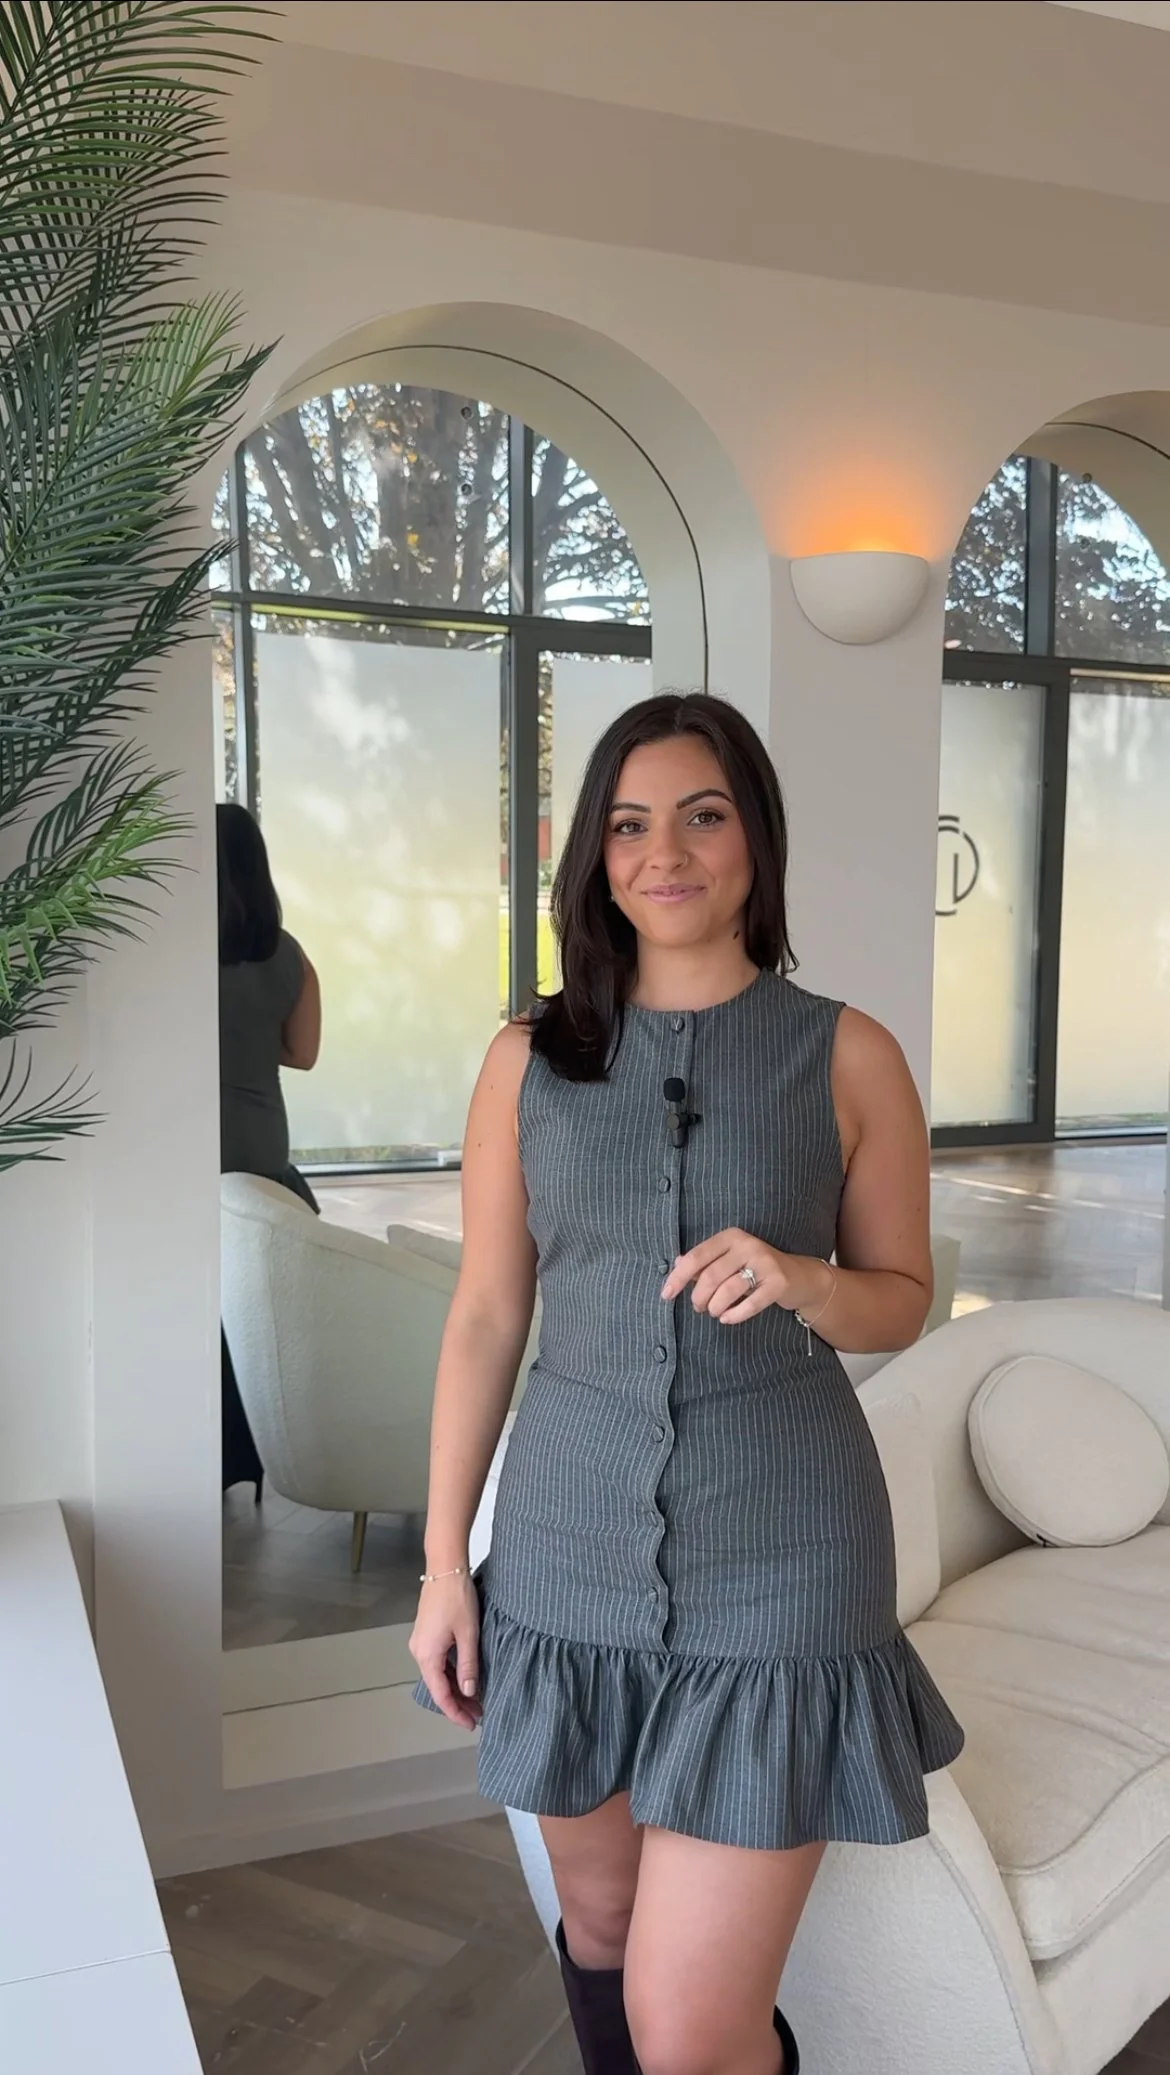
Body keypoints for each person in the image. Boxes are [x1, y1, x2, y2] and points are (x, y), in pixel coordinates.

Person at [410, 693, 963, 2075]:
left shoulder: (847, 1052)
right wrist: (440, 1563)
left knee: (689, 2020)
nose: (666, 850)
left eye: (702, 814)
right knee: (596, 1924)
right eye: (628, 822)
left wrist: (802, 1277)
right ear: (593, 858)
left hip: (782, 1551)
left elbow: (904, 1295)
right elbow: (486, 1313)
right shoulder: (524, 1060)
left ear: (755, 841)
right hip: (564, 1545)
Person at [217, 803, 322, 1493]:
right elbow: (302, 1052)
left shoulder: (166, 952)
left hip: (194, 1163)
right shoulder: (288, 954)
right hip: (263, 1161)